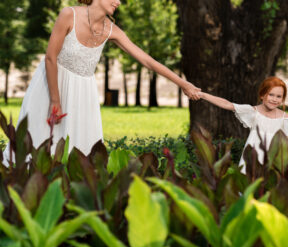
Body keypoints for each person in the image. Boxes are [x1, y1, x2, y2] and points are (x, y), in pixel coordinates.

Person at [2, 0, 201, 164]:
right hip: (51, 86)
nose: (119, 2)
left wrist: (183, 84)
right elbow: (50, 58)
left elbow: (147, 60)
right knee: (37, 143)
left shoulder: (112, 30)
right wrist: (55, 100)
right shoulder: (68, 15)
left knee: (81, 151)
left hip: (83, 95)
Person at [199, 76, 288, 173]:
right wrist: (203, 95)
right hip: (253, 155)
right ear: (262, 95)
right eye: (271, 95)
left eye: (279, 96)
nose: (274, 99)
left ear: (283, 99)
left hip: (273, 156)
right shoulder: (253, 112)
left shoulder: (283, 118)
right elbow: (227, 104)